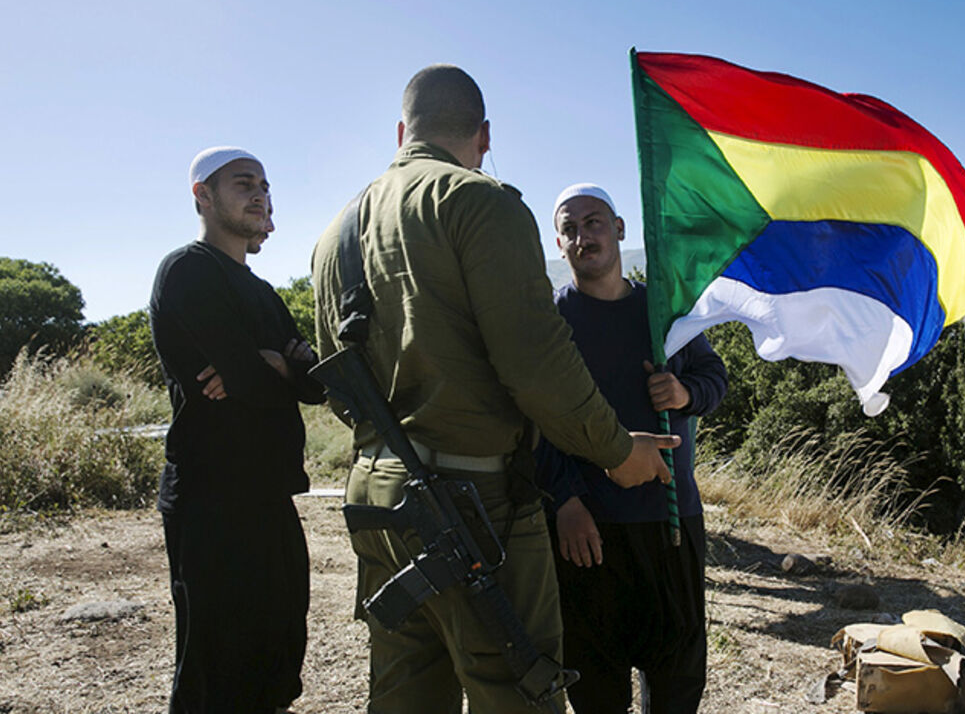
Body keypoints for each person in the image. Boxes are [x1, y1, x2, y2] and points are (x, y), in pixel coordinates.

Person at [311, 65, 679, 714]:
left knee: (404, 695)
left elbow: (335, 373)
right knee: (517, 694)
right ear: (484, 137)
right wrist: (619, 452)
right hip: (476, 504)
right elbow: (538, 366)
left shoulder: (335, 234)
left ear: (403, 132)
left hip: (377, 493)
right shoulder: (480, 202)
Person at [539, 183, 727, 714]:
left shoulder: (663, 313)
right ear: (559, 243)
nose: (583, 236)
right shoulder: (549, 325)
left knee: (677, 678)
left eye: (594, 222)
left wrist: (685, 393)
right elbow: (533, 423)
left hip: (671, 521)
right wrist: (565, 502)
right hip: (589, 530)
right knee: (596, 683)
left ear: (619, 229)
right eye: (570, 228)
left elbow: (715, 378)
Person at [149, 147, 325, 713]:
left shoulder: (264, 292)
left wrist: (275, 366)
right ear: (202, 194)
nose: (259, 194)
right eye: (243, 183)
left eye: (265, 185)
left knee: (276, 657)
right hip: (210, 498)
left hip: (270, 496)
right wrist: (271, 368)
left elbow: (317, 382)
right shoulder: (187, 270)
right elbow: (248, 378)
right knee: (215, 667)